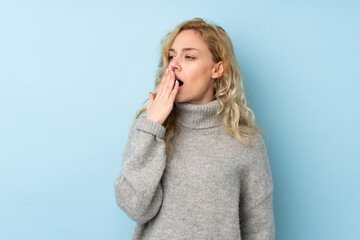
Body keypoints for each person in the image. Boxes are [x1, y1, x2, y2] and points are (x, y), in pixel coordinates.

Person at [114, 17, 275, 240]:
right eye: (171, 56)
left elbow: (259, 230)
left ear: (217, 69)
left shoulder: (245, 142)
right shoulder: (149, 127)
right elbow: (135, 207)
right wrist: (152, 127)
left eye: (189, 56)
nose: (174, 65)